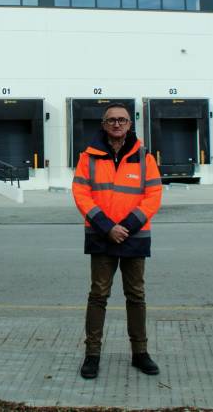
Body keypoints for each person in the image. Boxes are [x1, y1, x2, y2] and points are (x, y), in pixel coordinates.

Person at [72, 103, 163, 379]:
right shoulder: (87, 157)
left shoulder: (144, 156)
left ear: (129, 124)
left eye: (122, 120)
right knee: (98, 295)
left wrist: (126, 226)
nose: (116, 124)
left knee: (136, 296)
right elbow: (81, 193)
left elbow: (153, 195)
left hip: (133, 236)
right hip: (102, 237)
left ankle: (140, 353)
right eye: (111, 120)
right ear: (103, 124)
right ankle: (92, 355)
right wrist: (107, 227)